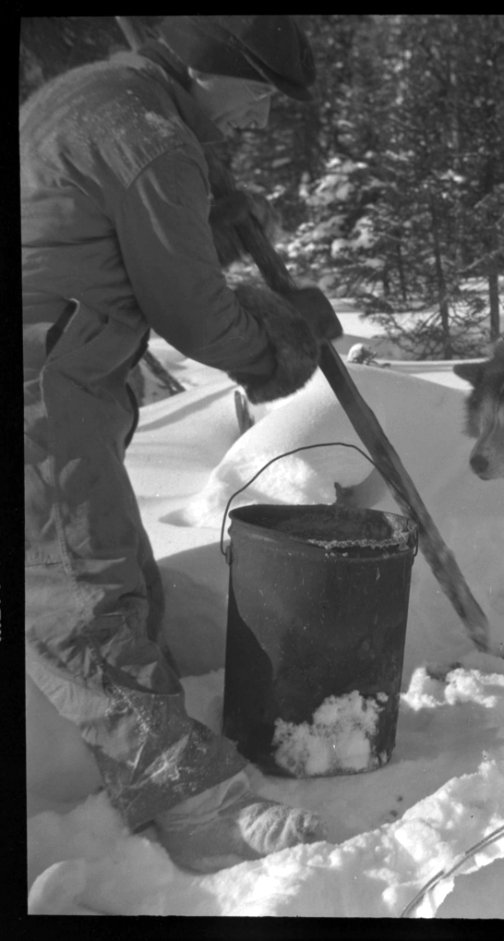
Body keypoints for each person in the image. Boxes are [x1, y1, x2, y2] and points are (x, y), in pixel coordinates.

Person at [22, 16, 342, 873]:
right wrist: (282, 345)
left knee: (101, 561)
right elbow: (193, 309)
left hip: (57, 366)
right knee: (80, 593)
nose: (265, 120)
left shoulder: (108, 101)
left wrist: (201, 196)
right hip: (35, 384)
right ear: (208, 71)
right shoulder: (150, 136)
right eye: (262, 95)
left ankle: (143, 714)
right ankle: (194, 802)